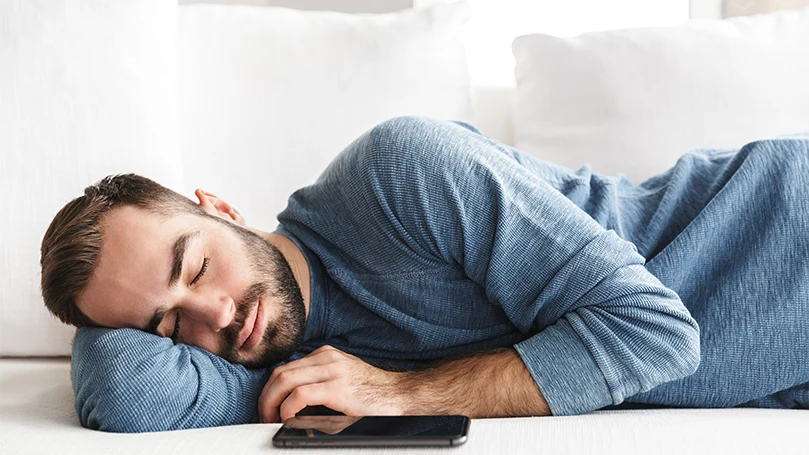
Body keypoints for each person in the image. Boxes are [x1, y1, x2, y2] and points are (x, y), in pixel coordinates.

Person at [40, 117, 809, 433]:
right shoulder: (285, 363)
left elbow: (657, 332)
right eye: (168, 325)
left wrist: (401, 391)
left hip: (774, 226)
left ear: (220, 206)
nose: (213, 313)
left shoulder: (395, 172)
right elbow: (123, 387)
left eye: (194, 263)